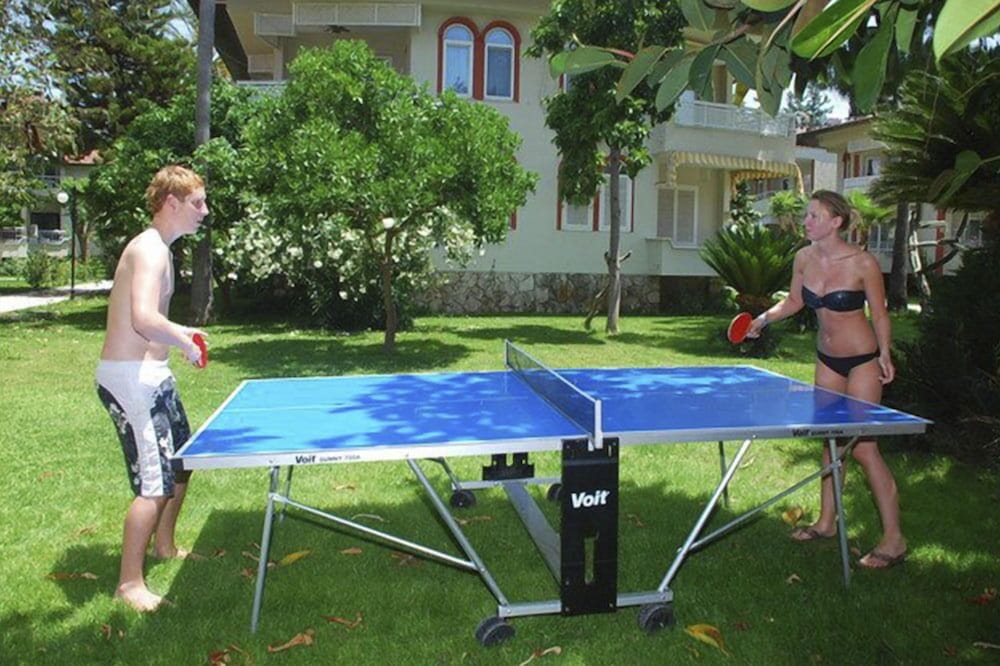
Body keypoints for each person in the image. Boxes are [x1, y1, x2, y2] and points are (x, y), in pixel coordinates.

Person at [746, 190, 906, 569]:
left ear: (836, 222)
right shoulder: (804, 258)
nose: (806, 221)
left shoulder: (863, 263)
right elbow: (795, 301)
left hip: (862, 361)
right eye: (807, 215)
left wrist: (885, 353)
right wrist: (763, 319)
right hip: (827, 361)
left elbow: (880, 313)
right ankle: (826, 522)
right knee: (830, 442)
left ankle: (894, 539)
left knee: (863, 448)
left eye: (814, 216)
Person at [95, 165, 209, 610]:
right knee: (155, 482)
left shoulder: (162, 248)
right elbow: (142, 319)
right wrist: (183, 339)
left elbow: (150, 319)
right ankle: (129, 584)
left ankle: (164, 545)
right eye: (197, 202)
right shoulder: (149, 249)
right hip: (132, 380)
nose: (204, 211)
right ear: (171, 203)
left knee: (180, 465)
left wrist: (180, 336)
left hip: (153, 375)